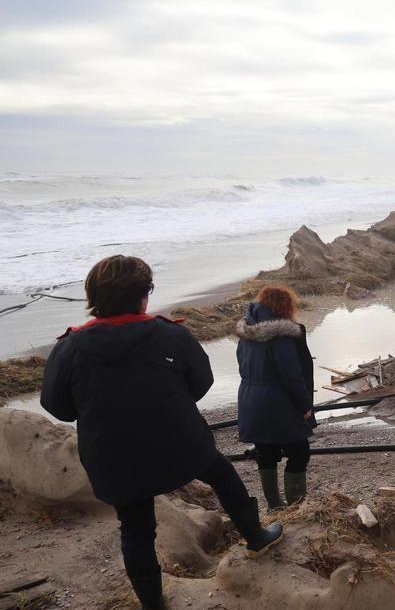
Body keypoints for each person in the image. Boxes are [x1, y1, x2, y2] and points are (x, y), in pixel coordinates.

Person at [41, 255, 282, 610]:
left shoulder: (70, 348)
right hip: (181, 446)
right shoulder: (171, 335)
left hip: (114, 459)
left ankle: (152, 603)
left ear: (93, 297)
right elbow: (202, 383)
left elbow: (57, 407)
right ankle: (256, 536)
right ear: (144, 295)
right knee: (221, 473)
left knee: (135, 528)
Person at [235, 285, 315, 510]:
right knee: (300, 452)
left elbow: (241, 364)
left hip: (250, 400)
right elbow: (291, 375)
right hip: (276, 403)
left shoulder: (247, 333)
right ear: (284, 306)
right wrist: (305, 406)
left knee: (266, 452)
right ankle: (296, 508)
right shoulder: (281, 335)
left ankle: (274, 505)